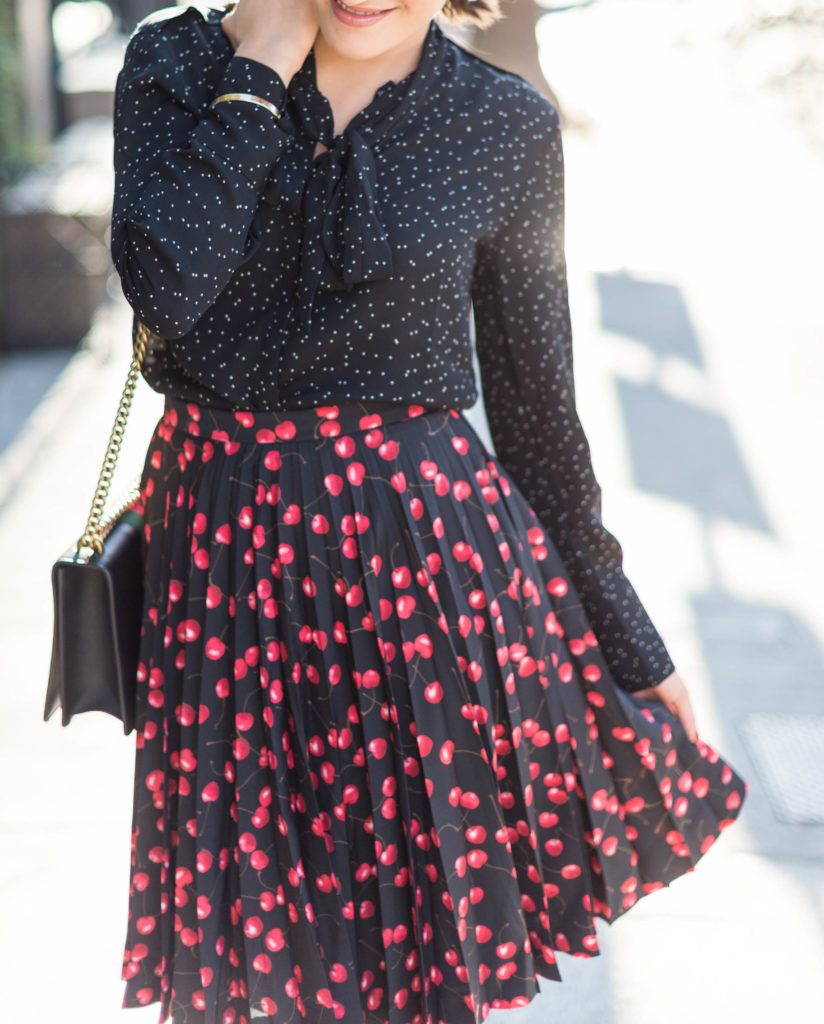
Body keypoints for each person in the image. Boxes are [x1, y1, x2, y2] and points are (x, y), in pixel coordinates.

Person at [110, 2, 747, 1022]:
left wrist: (626, 633)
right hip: (223, 564)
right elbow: (164, 285)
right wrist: (264, 59)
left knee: (409, 946)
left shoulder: (503, 123)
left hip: (419, 574)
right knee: (244, 952)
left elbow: (537, 407)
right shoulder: (181, 64)